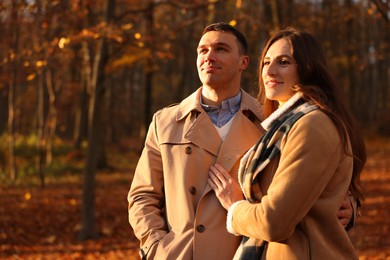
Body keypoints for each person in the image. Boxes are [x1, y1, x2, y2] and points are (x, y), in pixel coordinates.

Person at [128, 23, 355, 260]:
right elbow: (142, 196)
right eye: (202, 50)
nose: (209, 57)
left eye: (221, 49)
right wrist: (157, 246)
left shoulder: (272, 122)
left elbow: (325, 177)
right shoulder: (165, 122)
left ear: (243, 63)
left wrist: (348, 205)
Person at [208, 27, 366, 259]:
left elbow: (274, 222)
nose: (269, 71)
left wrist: (235, 207)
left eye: (283, 62)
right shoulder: (280, 126)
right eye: (266, 62)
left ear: (308, 69)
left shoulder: (312, 124)